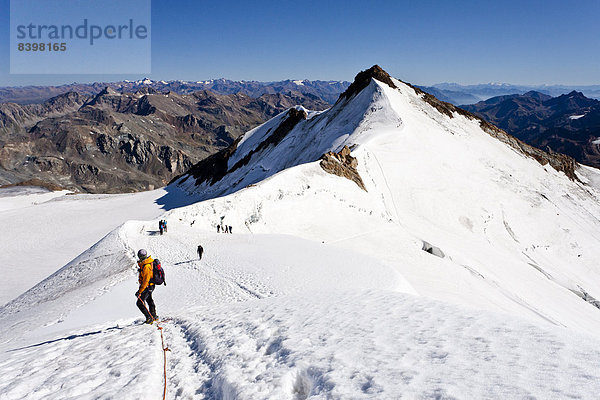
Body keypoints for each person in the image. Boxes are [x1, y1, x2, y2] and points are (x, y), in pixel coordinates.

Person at [135, 249, 158, 324]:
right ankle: (153, 316)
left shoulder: (146, 266)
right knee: (149, 300)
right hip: (149, 286)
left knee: (139, 303)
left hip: (148, 286)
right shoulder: (145, 264)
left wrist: (140, 291)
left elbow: (145, 281)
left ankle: (149, 318)